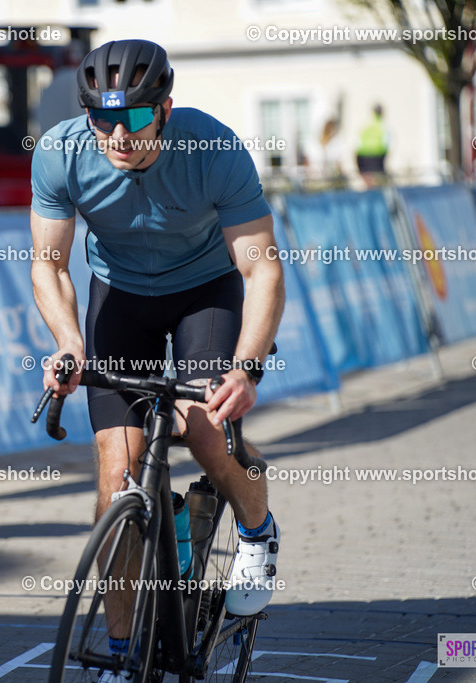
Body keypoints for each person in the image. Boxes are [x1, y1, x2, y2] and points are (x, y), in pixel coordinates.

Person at [30, 39, 285, 670]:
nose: (119, 135)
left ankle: (257, 530)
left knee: (204, 430)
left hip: (205, 292)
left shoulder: (213, 148)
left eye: (137, 117)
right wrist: (69, 343)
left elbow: (261, 269)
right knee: (116, 477)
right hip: (118, 296)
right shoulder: (61, 153)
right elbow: (50, 265)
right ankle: (125, 653)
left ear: (165, 110)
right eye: (103, 119)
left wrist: (246, 368)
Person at [356, 104, 390, 186]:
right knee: (377, 183)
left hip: (363, 156)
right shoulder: (383, 126)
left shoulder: (366, 126)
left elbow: (358, 143)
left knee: (368, 182)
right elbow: (386, 144)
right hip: (377, 157)